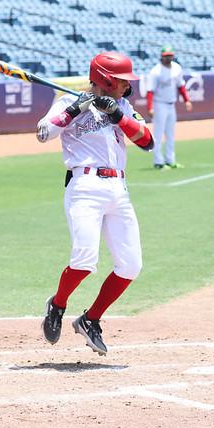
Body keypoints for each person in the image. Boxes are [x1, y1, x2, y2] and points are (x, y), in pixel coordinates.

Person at [36, 52, 154, 355]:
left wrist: (117, 115)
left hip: (119, 188)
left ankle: (91, 319)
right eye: (123, 81)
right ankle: (57, 305)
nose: (127, 87)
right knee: (85, 259)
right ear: (106, 78)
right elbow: (43, 133)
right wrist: (76, 109)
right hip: (84, 186)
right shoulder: (66, 103)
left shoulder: (123, 106)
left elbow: (147, 141)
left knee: (131, 265)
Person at [143, 45, 192, 170]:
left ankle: (170, 160)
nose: (168, 58)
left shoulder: (176, 68)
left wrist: (187, 100)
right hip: (159, 104)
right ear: (161, 57)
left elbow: (181, 86)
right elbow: (150, 91)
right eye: (166, 56)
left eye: (170, 55)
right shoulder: (155, 71)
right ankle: (158, 162)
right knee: (158, 134)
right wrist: (150, 108)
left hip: (171, 104)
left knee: (170, 134)